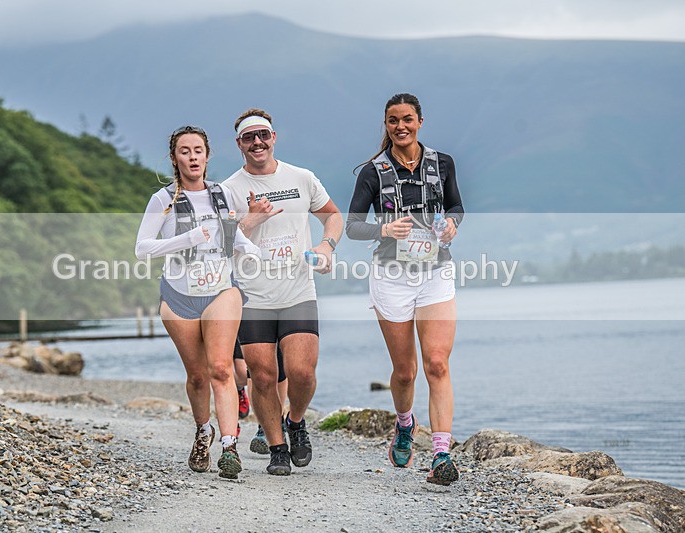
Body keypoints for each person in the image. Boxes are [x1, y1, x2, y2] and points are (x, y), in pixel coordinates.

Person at [346, 93, 464, 486]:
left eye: (408, 119)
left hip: (435, 273)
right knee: (405, 370)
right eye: (393, 120)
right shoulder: (372, 172)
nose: (401, 126)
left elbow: (457, 207)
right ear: (386, 125)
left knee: (437, 363)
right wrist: (384, 228)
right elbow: (352, 226)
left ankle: (442, 454)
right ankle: (403, 424)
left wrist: (452, 226)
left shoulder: (441, 163)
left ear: (420, 121)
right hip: (391, 276)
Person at [135, 125, 260, 480]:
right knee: (197, 375)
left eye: (198, 150)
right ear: (175, 158)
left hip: (221, 290)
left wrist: (255, 252)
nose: (192, 157)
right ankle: (203, 430)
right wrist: (186, 237)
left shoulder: (223, 196)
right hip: (178, 296)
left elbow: (234, 239)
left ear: (208, 156)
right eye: (185, 151)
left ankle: (229, 447)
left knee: (221, 368)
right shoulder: (164, 200)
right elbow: (142, 248)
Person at [223, 108, 343, 475]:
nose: (257, 142)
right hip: (253, 295)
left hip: (297, 289)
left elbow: (333, 215)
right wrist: (250, 220)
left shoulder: (301, 178)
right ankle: (277, 447)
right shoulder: (229, 189)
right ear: (239, 144)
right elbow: (221, 243)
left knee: (302, 373)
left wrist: (326, 247)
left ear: (274, 137)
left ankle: (296, 421)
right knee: (262, 376)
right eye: (249, 137)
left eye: (263, 135)